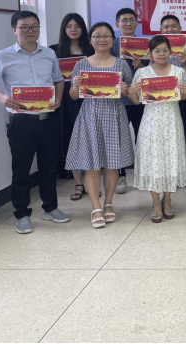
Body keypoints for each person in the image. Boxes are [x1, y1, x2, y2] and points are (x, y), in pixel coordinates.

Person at [0, 11, 69, 235]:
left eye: (34, 26)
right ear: (15, 30)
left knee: (49, 167)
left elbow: (58, 80)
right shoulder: (3, 56)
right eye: (24, 27)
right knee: (21, 170)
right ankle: (22, 214)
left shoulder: (49, 54)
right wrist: (1, 97)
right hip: (21, 121)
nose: (30, 31)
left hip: (48, 118)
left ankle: (50, 208)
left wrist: (59, 98)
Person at [67, 22, 135, 229]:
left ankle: (108, 203)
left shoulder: (121, 64)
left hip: (114, 115)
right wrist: (76, 86)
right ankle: (95, 206)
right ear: (90, 40)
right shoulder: (81, 64)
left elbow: (132, 93)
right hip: (90, 116)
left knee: (112, 164)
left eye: (106, 36)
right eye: (97, 36)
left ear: (112, 40)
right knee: (92, 164)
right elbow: (73, 95)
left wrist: (125, 89)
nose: (102, 39)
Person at [129, 35, 186, 223]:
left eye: (165, 50)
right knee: (153, 159)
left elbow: (183, 98)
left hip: (172, 120)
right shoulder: (142, 73)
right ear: (150, 54)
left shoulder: (179, 71)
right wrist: (131, 92)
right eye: (157, 51)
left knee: (171, 157)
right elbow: (136, 101)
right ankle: (156, 201)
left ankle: (168, 199)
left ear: (170, 52)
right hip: (151, 122)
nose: (161, 54)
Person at [49, 13, 95, 201]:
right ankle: (78, 183)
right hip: (65, 101)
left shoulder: (91, 50)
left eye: (77, 26)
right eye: (69, 26)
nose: (73, 29)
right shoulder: (54, 51)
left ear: (83, 29)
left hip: (88, 100)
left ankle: (92, 183)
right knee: (71, 139)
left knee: (90, 140)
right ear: (64, 29)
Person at [160, 14, 186, 192]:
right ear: (161, 30)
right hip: (162, 101)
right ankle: (168, 173)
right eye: (166, 27)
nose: (170, 29)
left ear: (180, 28)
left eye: (173, 26)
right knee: (165, 138)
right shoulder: (154, 49)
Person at [109, 7, 146, 194]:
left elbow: (153, 71)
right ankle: (121, 175)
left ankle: (142, 173)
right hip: (119, 100)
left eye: (132, 20)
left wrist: (140, 66)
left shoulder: (145, 44)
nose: (128, 23)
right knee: (120, 139)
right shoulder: (111, 44)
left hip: (140, 100)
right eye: (124, 20)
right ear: (117, 24)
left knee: (142, 137)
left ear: (137, 23)